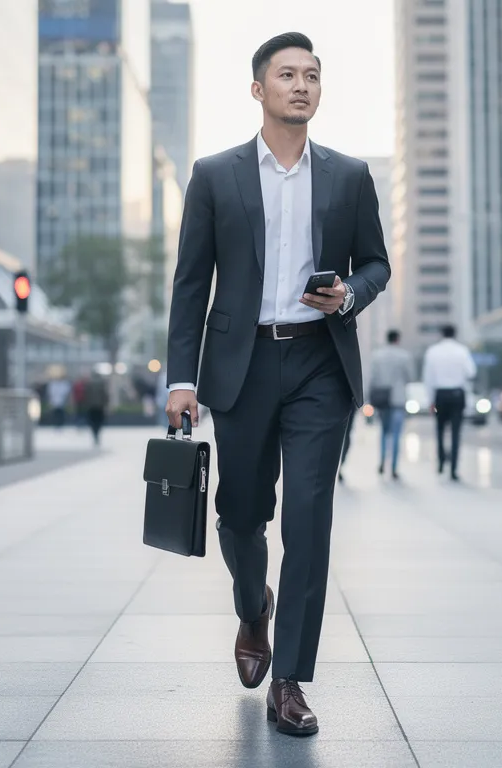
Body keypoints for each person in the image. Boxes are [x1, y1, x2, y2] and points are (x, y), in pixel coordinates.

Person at [164, 32, 390, 737]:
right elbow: (190, 284)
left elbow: (377, 265)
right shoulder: (215, 174)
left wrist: (347, 295)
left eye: (313, 75)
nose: (302, 84)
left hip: (321, 363)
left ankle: (289, 677)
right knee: (240, 514)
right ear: (258, 89)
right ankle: (251, 605)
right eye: (287, 74)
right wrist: (180, 378)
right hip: (243, 364)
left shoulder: (350, 176)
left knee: (311, 520)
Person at [422, 324, 476, 481]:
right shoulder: (462, 351)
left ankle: (440, 462)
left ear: (441, 334)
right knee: (455, 432)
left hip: (440, 395)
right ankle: (453, 469)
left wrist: (431, 400)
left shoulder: (433, 352)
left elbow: (428, 378)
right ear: (455, 334)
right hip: (457, 395)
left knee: (439, 430)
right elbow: (471, 372)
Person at [366, 329, 416, 479]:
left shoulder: (377, 356)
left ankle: (382, 461)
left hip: (382, 399)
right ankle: (393, 467)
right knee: (396, 434)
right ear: (397, 339)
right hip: (398, 398)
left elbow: (372, 379)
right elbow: (410, 377)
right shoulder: (404, 356)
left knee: (384, 432)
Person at [82, 372, 108, 446]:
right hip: (100, 406)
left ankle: (95, 434)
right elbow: (105, 394)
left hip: (91, 406)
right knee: (99, 421)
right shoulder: (102, 383)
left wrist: (85, 404)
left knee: (92, 421)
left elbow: (86, 394)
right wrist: (106, 403)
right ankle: (97, 433)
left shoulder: (88, 383)